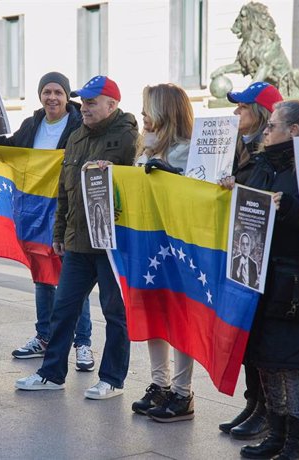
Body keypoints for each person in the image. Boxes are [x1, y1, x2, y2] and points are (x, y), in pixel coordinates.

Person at [228, 97, 299, 460]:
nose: (265, 130)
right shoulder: (262, 163)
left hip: (297, 282)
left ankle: (297, 441)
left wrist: (288, 207)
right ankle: (275, 433)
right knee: (266, 358)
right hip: (261, 275)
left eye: (272, 125)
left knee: (292, 362)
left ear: (293, 131)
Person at [15, 75, 137, 399]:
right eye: (83, 101)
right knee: (63, 308)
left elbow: (139, 184)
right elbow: (64, 190)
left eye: (93, 101)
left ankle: (112, 379)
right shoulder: (76, 137)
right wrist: (59, 233)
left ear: (112, 104)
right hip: (78, 241)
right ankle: (51, 373)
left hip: (112, 244)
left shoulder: (127, 136)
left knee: (115, 312)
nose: (85, 107)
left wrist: (116, 171)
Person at [0, 71, 94, 370]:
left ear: (67, 97)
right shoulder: (32, 124)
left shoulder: (79, 125)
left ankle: (83, 343)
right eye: (47, 92)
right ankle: (44, 337)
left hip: (67, 211)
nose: (52, 97)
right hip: (35, 212)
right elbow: (6, 150)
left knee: (73, 279)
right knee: (41, 276)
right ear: (40, 95)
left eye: (58, 92)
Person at [129, 83, 198, 422]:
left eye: (148, 109)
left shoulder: (187, 151)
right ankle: (160, 384)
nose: (142, 115)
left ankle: (183, 393)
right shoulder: (145, 148)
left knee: (180, 318)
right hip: (148, 245)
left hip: (177, 249)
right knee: (155, 313)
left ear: (166, 113)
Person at [218, 81, 282, 440]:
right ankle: (254, 403)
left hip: (263, 259)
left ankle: (265, 409)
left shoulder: (264, 154)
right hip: (243, 255)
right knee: (246, 333)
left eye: (242, 108)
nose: (235, 113)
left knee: (257, 336)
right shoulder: (239, 148)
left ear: (259, 113)